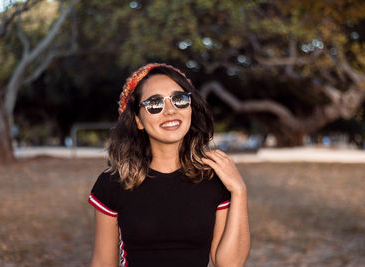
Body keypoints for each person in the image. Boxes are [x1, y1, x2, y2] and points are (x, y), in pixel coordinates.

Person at [88, 63, 250, 267]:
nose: (170, 110)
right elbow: (103, 262)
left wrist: (239, 191)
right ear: (138, 120)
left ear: (190, 107)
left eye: (179, 99)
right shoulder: (113, 182)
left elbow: (230, 264)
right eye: (155, 104)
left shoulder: (213, 179)